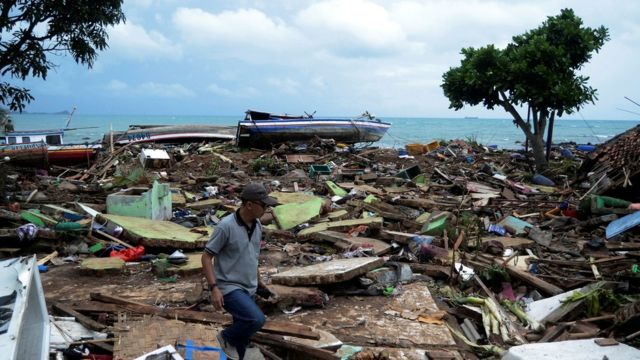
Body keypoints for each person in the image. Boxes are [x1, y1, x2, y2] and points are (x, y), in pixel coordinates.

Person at [201, 182, 278, 360]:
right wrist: (214, 288)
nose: (266, 209)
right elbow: (206, 257)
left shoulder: (257, 226)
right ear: (249, 205)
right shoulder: (225, 226)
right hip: (229, 286)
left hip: (249, 286)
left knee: (240, 341)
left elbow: (253, 256)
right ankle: (224, 336)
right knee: (256, 319)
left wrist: (259, 282)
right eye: (264, 205)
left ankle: (234, 350)